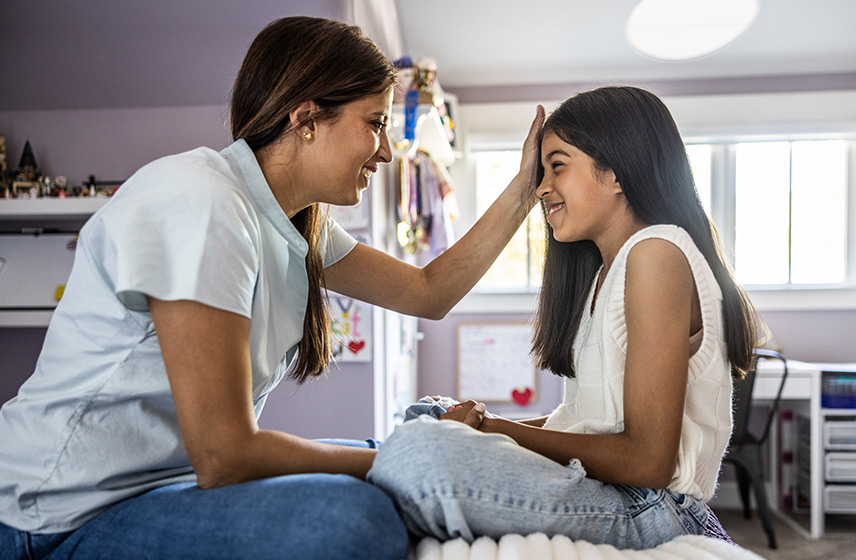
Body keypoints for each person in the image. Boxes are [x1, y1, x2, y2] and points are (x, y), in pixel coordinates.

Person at [0, 16, 545, 560]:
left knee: (394, 454)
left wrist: (524, 191)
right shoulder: (203, 202)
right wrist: (415, 456)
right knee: (357, 518)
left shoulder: (296, 221)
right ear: (307, 118)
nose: (385, 152)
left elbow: (428, 291)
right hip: (54, 514)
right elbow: (226, 455)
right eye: (375, 124)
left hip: (165, 482)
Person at [367, 86, 758, 550]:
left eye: (557, 166)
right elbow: (581, 421)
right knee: (429, 415)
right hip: (618, 493)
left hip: (651, 508)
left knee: (420, 454)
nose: (542, 188)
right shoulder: (605, 275)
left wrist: (494, 430)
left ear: (614, 172)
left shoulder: (657, 254)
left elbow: (648, 462)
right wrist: (479, 420)